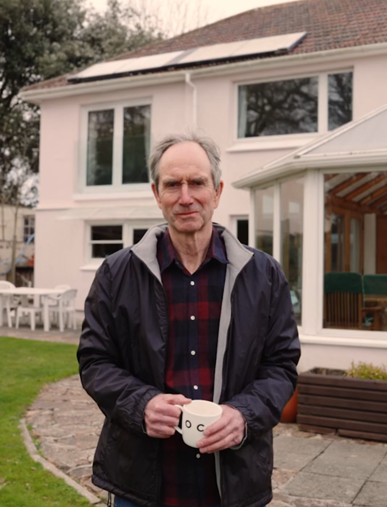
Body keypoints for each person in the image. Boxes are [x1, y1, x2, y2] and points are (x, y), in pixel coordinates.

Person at [78, 131, 300, 507]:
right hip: (143, 482)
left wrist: (243, 414)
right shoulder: (117, 274)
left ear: (217, 191)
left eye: (197, 182)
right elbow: (95, 361)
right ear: (156, 193)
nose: (185, 197)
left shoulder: (263, 275)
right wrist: (141, 403)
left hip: (233, 481)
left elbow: (281, 366)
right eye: (172, 185)